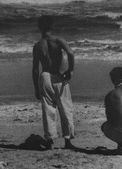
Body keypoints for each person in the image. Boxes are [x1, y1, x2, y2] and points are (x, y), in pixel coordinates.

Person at [32, 15, 75, 149]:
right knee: (65, 108)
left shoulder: (38, 45)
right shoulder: (58, 40)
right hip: (59, 76)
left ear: (39, 28)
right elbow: (71, 53)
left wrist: (36, 88)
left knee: (48, 109)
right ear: (52, 26)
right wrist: (70, 70)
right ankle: (67, 140)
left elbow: (35, 69)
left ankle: (50, 141)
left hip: (45, 76)